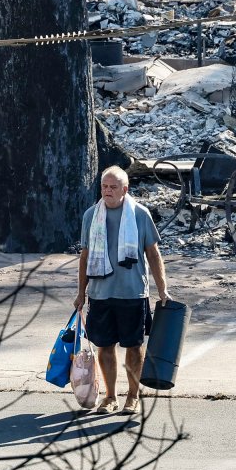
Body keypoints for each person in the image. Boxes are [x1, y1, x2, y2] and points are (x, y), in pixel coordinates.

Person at [74, 165, 170, 415]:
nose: (108, 191)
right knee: (104, 346)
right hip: (100, 294)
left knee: (134, 347)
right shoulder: (91, 216)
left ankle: (133, 396)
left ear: (125, 189)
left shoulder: (139, 214)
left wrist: (162, 290)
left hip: (132, 293)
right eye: (104, 186)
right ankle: (110, 397)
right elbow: (85, 256)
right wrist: (81, 292)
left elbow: (153, 254)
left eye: (113, 187)